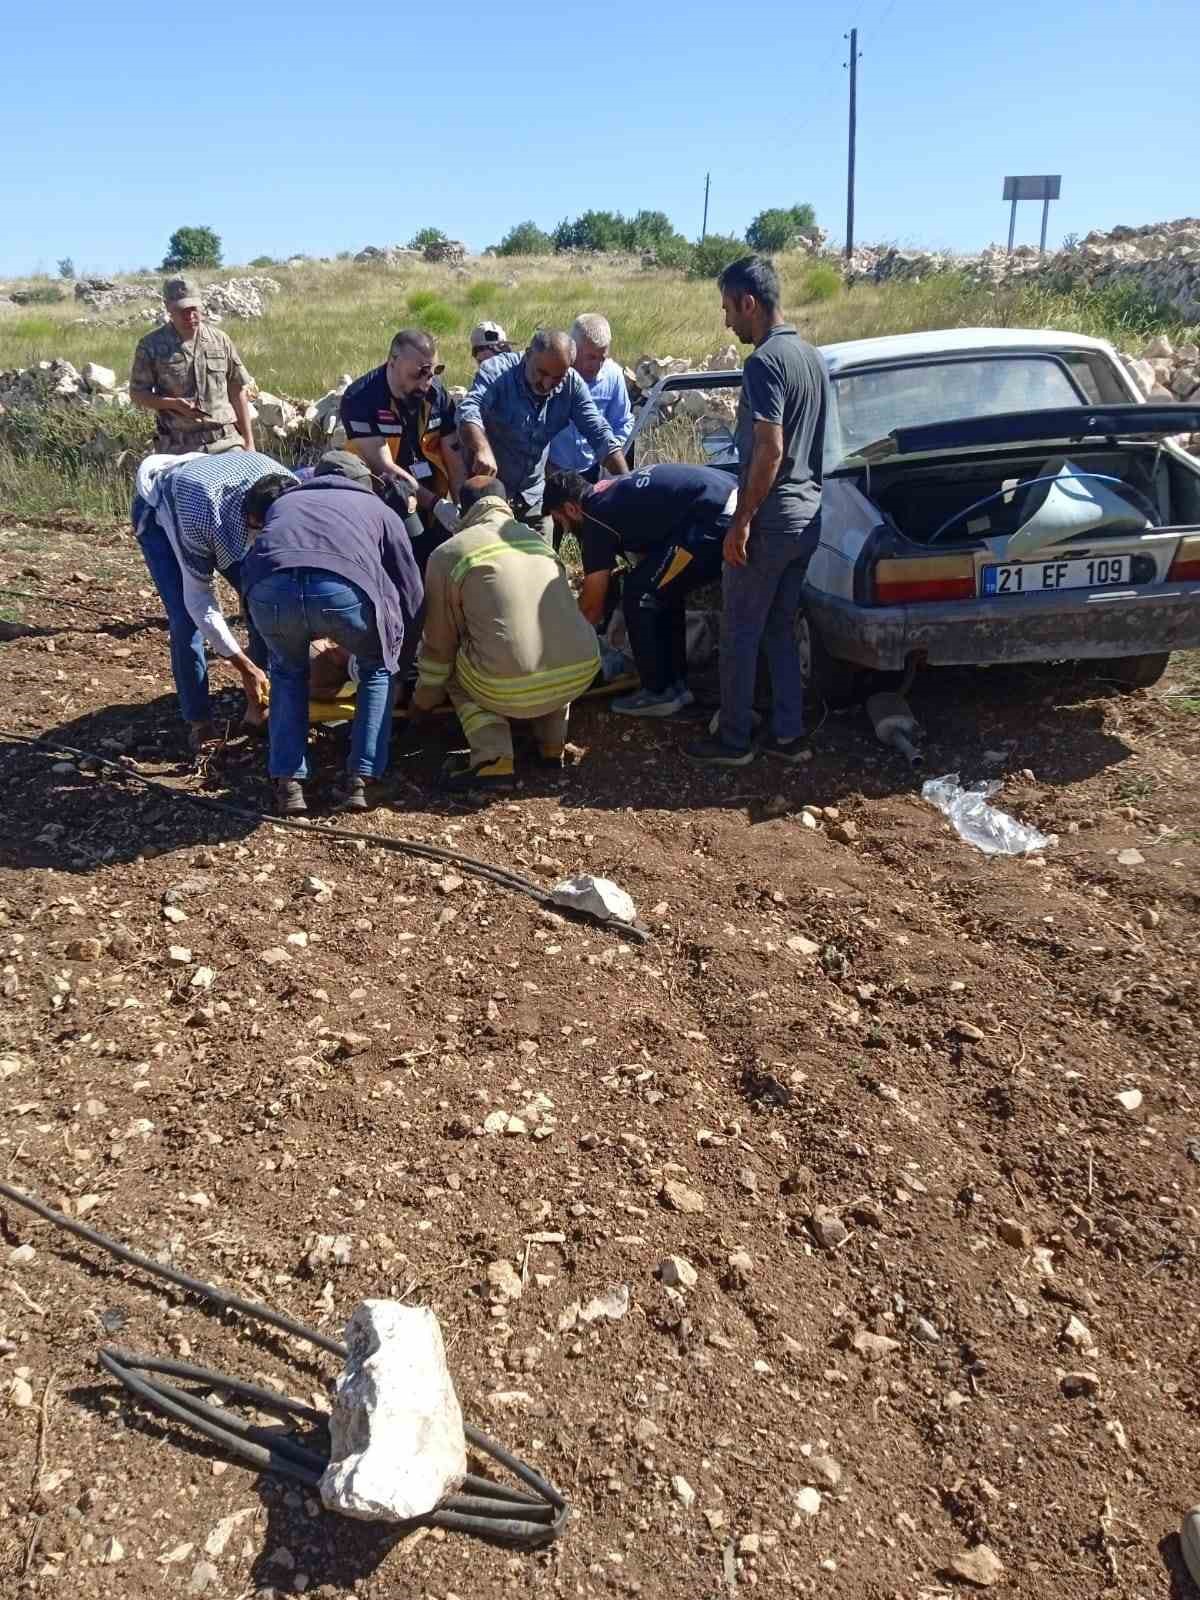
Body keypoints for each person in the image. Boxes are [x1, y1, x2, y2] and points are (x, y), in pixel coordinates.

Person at [685, 255, 830, 767]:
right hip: (807, 516)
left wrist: (742, 520)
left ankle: (735, 740)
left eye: (728, 308)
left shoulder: (765, 362)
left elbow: (769, 450)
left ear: (750, 303)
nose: (727, 321)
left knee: (740, 632)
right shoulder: (811, 357)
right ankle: (788, 734)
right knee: (780, 628)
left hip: (770, 521)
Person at [241, 452, 424, 816]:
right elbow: (411, 589)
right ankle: (363, 778)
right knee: (375, 669)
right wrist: (401, 659)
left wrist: (260, 643)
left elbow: (256, 561)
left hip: (270, 590)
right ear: (364, 482)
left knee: (288, 674)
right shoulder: (379, 509)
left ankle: (288, 784)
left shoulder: (285, 501)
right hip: (340, 592)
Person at [409, 476, 600, 792]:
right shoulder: (536, 540)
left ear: (464, 509)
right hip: (578, 673)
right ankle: (552, 745)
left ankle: (492, 758)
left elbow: (439, 645)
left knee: (452, 670)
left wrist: (423, 701)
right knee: (552, 642)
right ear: (506, 505)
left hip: (507, 684)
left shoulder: (448, 553)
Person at [544, 463, 737, 716]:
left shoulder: (594, 515)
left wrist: (563, 648)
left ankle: (657, 692)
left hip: (713, 514)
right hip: (730, 495)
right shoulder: (608, 492)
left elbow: (592, 607)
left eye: (562, 522)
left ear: (571, 508)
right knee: (663, 590)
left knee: (638, 594)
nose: (566, 531)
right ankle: (676, 685)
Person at [132, 450, 296, 748]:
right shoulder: (199, 516)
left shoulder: (292, 495)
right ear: (251, 519)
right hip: (164, 504)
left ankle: (259, 706)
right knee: (185, 620)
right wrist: (244, 666)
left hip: (220, 493)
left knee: (260, 598)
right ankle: (199, 721)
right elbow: (200, 602)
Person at [457, 330, 630, 538]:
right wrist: (482, 449)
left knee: (544, 562)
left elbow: (600, 434)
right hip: (490, 498)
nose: (547, 384)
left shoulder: (572, 384)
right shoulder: (497, 372)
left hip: (533, 497)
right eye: (541, 373)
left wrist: (626, 486)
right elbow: (469, 410)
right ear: (528, 354)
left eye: (556, 378)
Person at [339, 329, 464, 564]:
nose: (427, 382)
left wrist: (460, 505)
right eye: (419, 373)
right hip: (388, 498)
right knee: (411, 558)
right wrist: (437, 504)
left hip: (433, 497)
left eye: (433, 371)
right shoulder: (361, 399)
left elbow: (453, 452)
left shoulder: (436, 394)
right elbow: (383, 466)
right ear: (393, 361)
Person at [130, 277, 255, 454]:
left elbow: (237, 391)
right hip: (179, 448)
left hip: (227, 442)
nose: (190, 316)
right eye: (181, 310)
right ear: (167, 307)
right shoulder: (151, 346)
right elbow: (137, 394)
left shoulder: (220, 340)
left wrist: (249, 443)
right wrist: (172, 404)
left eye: (193, 309)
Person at [548, 314, 633, 480]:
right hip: (551, 471)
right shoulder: (551, 374)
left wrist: (608, 455)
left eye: (602, 358)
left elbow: (623, 422)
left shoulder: (613, 375)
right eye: (590, 357)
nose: (596, 366)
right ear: (573, 350)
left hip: (594, 470)